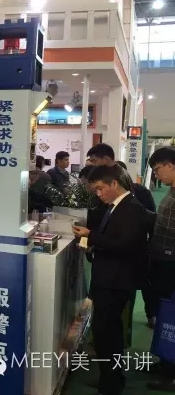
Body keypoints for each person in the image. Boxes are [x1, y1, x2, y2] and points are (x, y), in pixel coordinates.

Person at [72, 165, 152, 395]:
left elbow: (123, 246)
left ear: (114, 183)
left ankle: (111, 383)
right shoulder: (117, 206)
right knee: (108, 332)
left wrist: (91, 236)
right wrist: (92, 244)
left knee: (106, 333)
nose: (98, 194)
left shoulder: (131, 208)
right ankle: (111, 378)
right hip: (109, 278)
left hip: (116, 282)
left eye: (100, 188)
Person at [146, 148, 175, 392]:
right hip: (163, 262)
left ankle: (170, 373)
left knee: (172, 320)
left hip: (171, 264)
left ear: (170, 165)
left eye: (157, 170)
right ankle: (165, 361)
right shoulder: (171, 191)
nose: (156, 176)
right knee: (165, 316)